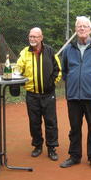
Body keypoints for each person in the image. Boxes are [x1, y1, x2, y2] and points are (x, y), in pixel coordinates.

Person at [60, 16, 91, 170]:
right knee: (74, 128)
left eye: (85, 26)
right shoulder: (69, 49)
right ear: (75, 30)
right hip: (73, 96)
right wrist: (72, 84)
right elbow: (65, 71)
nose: (82, 29)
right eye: (79, 26)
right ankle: (74, 156)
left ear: (90, 29)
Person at [17, 27, 62, 161]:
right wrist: (18, 77)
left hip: (48, 94)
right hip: (32, 95)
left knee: (51, 122)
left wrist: (52, 83)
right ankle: (37, 145)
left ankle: (52, 147)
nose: (32, 39)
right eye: (31, 36)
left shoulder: (50, 51)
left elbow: (58, 70)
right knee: (34, 122)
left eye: (35, 37)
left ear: (41, 38)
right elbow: (18, 69)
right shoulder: (24, 53)